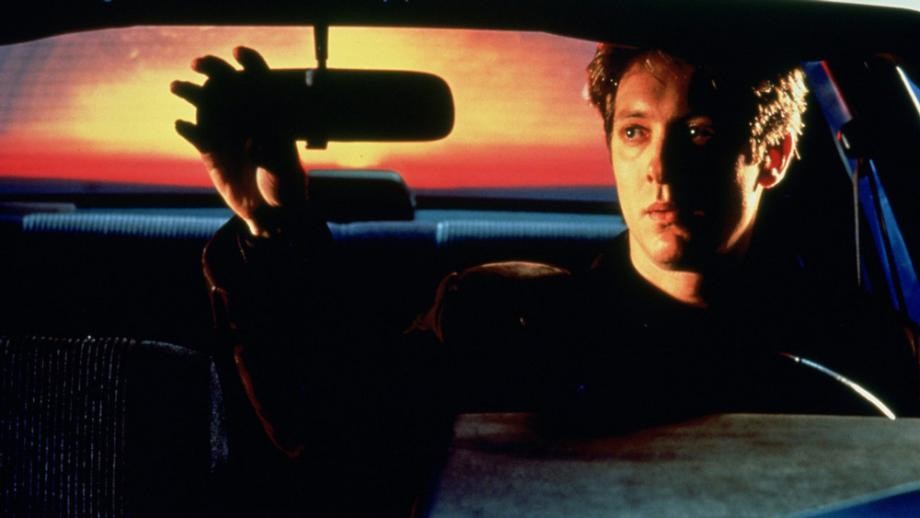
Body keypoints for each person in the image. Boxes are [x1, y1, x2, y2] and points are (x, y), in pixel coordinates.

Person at [171, 44, 918, 515]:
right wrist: (275, 227)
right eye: (635, 133)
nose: (660, 168)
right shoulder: (507, 318)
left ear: (774, 157)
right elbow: (336, 438)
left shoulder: (861, 344)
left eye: (698, 134)